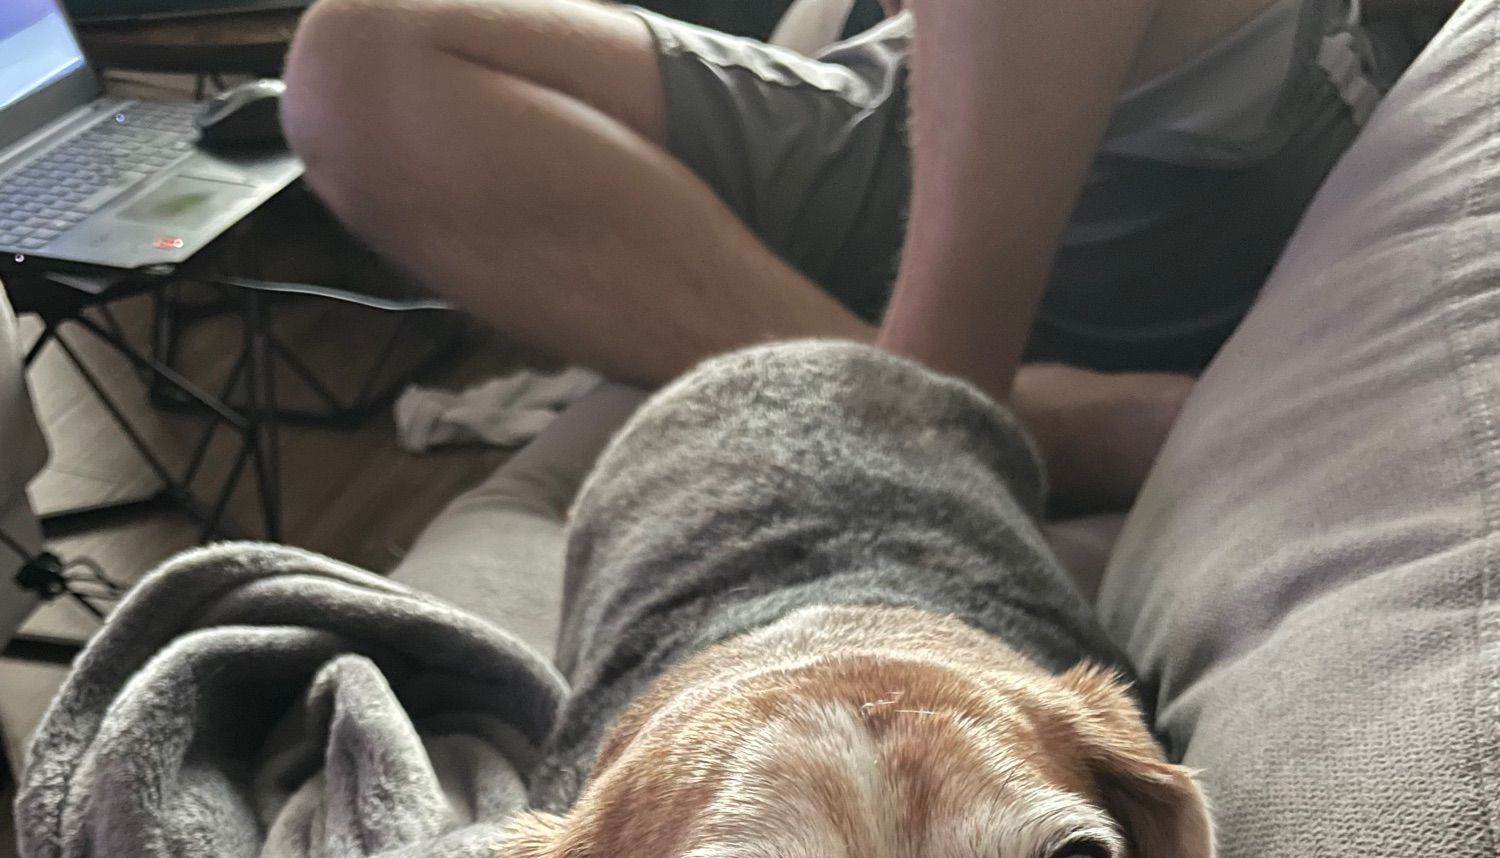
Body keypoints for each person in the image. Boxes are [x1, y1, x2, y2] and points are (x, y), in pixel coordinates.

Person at [281, 0, 1412, 514]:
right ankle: (986, 415)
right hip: (894, 99)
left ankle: (928, 412)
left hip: (1215, 137)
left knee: (914, 432)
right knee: (353, 63)